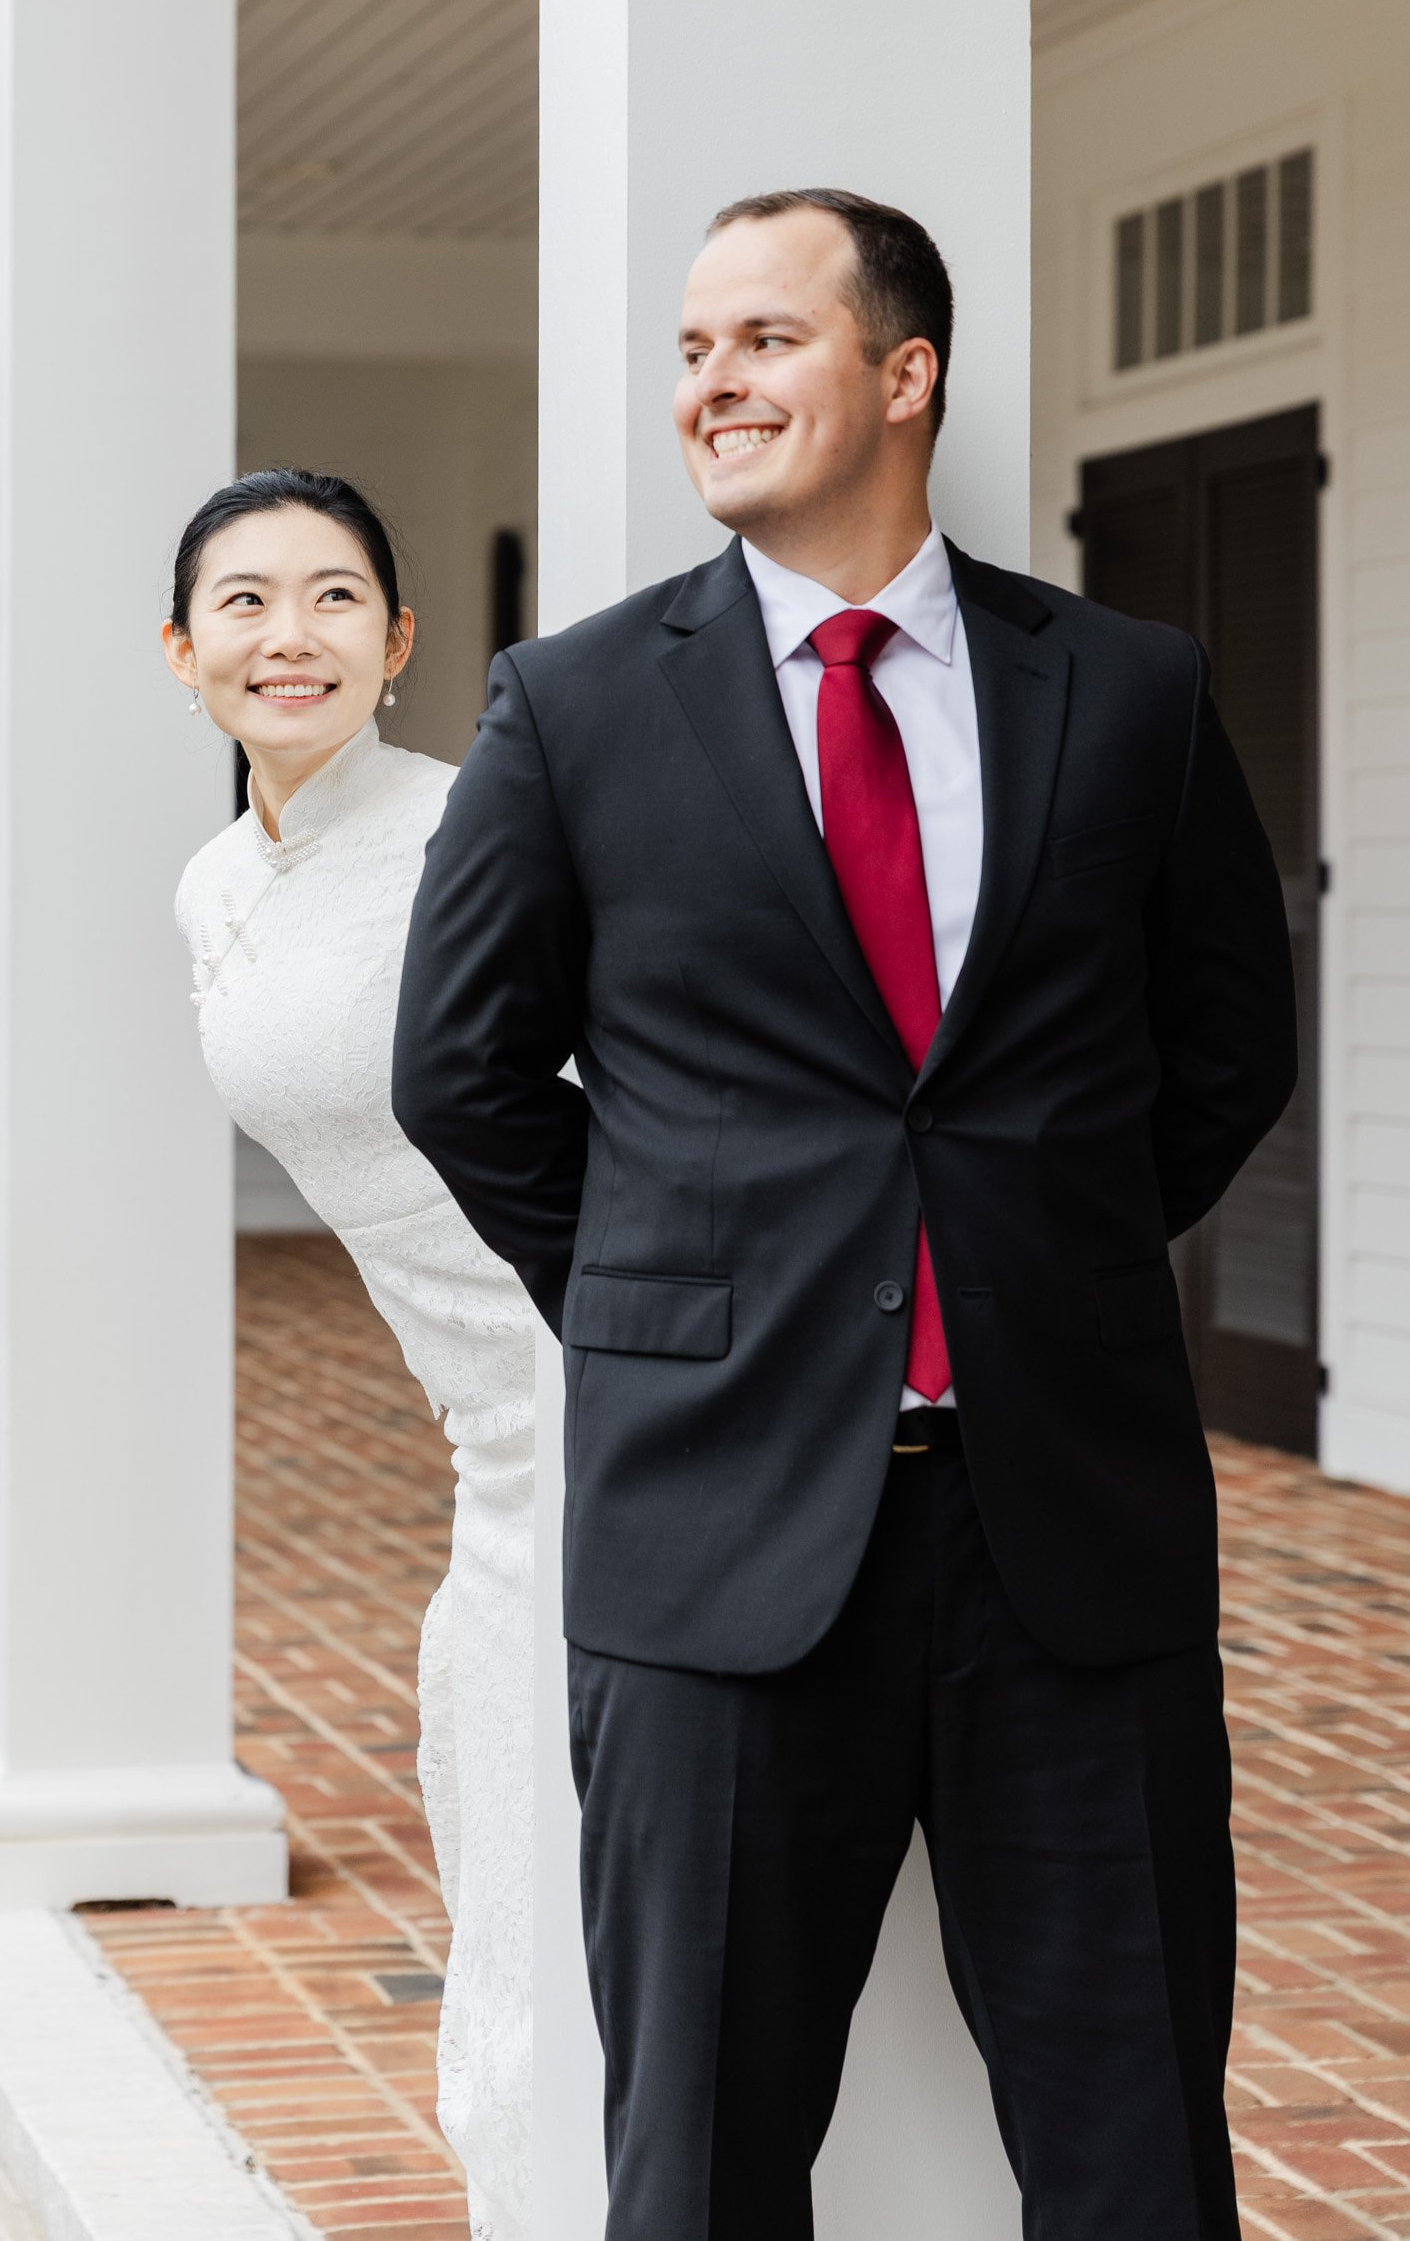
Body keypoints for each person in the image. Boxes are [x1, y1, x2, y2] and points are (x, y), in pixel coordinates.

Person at [392, 191, 1298, 2241]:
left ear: (907, 375)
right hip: (714, 1547)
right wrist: (682, 1306)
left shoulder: (1132, 693)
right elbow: (461, 1068)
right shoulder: (582, 706)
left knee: (1139, 2148)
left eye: (765, 338)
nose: (711, 381)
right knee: (700, 2165)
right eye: (693, 348)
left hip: (1068, 1539)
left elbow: (1229, 1045)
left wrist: (1029, 1271)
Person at [161, 469, 536, 2241]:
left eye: (331, 599)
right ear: (181, 653)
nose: (284, 634)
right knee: (500, 1832)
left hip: (594, 1377)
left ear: (398, 643)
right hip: (480, 1423)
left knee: (551, 1859)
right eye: (243, 602)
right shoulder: (213, 883)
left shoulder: (482, 841)